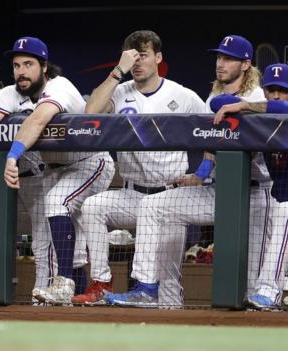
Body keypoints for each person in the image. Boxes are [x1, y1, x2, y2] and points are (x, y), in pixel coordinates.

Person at [106, 34, 274, 308]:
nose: (220, 63)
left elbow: (281, 110)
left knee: (253, 285)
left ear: (245, 64)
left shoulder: (256, 96)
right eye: (219, 57)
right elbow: (210, 143)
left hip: (257, 196)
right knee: (152, 205)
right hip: (219, 192)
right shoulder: (213, 98)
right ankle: (146, 287)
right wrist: (201, 172)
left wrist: (244, 107)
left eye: (228, 58)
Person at [0, 36, 114, 305]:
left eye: (28, 64)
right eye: (16, 65)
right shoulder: (16, 92)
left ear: (44, 66)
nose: (21, 71)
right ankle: (63, 293)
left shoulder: (60, 86)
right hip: (54, 170)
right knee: (54, 229)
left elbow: (38, 119)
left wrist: (12, 156)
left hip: (90, 162)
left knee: (56, 203)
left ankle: (64, 284)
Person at [71, 30, 205, 305]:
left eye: (142, 55)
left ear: (158, 58)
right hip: (133, 195)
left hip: (169, 198)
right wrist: (118, 69)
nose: (137, 62)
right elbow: (89, 112)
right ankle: (102, 283)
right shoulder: (119, 91)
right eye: (132, 56)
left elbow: (214, 134)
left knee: (168, 289)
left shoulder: (182, 95)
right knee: (93, 207)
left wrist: (202, 173)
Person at [212, 64, 288, 311]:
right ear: (263, 91)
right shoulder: (262, 119)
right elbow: (218, 103)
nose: (276, 95)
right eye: (271, 90)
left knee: (284, 213)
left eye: (282, 90)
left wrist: (245, 105)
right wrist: (242, 103)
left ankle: (267, 290)